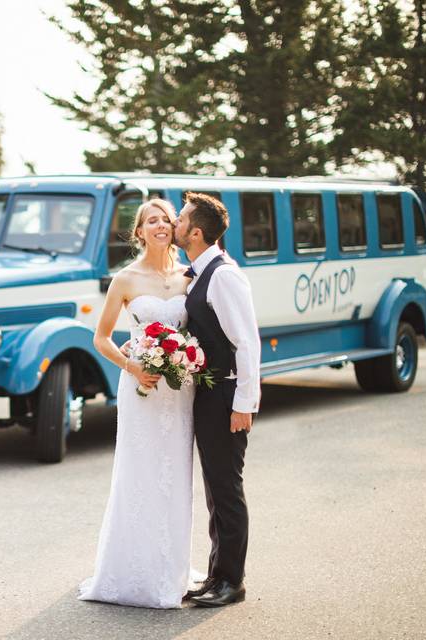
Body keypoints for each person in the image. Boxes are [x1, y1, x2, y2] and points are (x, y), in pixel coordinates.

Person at [78, 198, 204, 608]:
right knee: (141, 474)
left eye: (166, 219)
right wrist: (132, 366)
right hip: (142, 390)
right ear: (140, 232)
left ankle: (172, 568)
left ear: (175, 227)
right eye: (151, 220)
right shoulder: (125, 280)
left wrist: (188, 357)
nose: (160, 225)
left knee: (175, 476)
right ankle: (133, 569)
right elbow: (100, 338)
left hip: (180, 391)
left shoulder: (189, 276)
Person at [174, 192, 261, 607]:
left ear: (195, 232)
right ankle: (216, 574)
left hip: (226, 394)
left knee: (226, 488)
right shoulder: (201, 272)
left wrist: (244, 404)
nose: (174, 222)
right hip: (210, 394)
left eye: (180, 218)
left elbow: (247, 342)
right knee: (214, 488)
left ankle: (233, 581)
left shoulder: (224, 275)